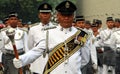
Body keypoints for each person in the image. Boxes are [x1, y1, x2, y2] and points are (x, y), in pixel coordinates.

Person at [13, 1, 90, 74]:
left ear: (73, 16)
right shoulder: (49, 33)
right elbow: (36, 51)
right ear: (58, 16)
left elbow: (85, 59)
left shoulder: (81, 34)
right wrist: (22, 59)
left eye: (69, 15)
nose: (66, 18)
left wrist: (72, 66)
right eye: (63, 15)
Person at [28, 2, 55, 74]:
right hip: (38, 63)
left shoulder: (56, 28)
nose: (45, 15)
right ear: (39, 15)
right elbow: (30, 47)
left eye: (47, 13)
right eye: (43, 13)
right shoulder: (33, 29)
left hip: (52, 63)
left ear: (51, 15)